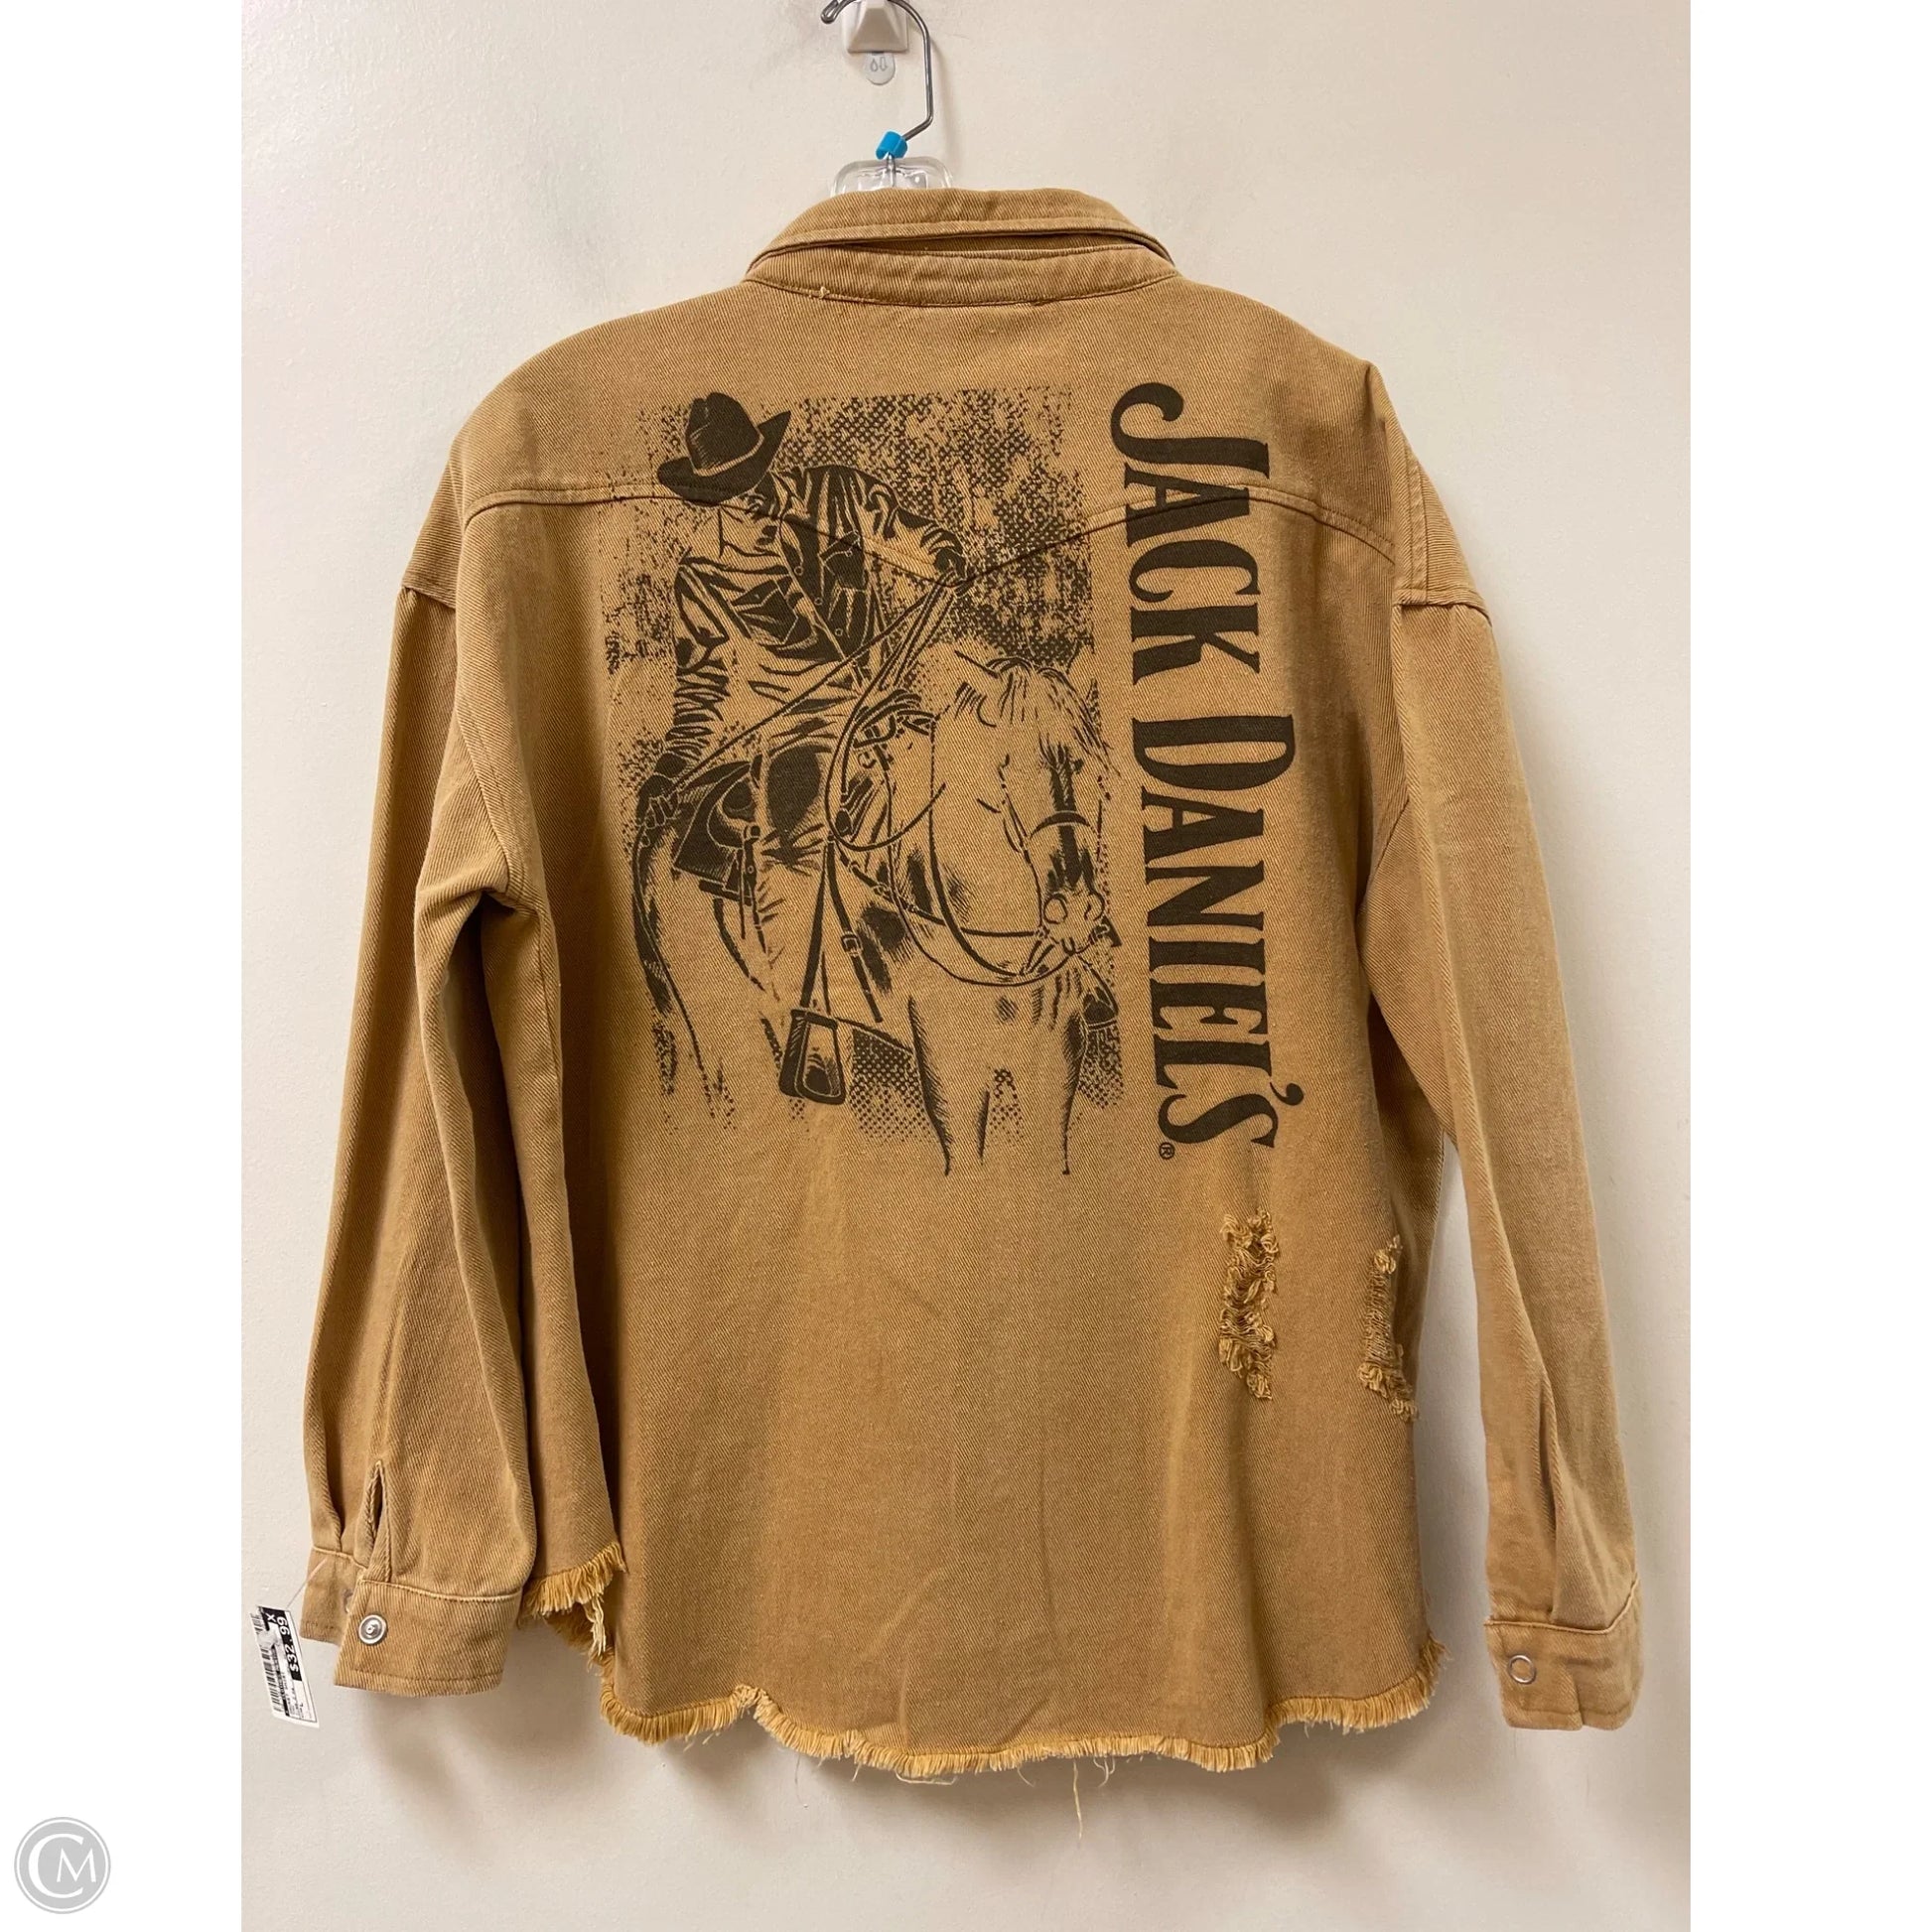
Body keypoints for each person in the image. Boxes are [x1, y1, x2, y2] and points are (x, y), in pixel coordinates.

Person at [633, 392, 965, 1043]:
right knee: (791, 852)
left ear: (766, 461)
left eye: (753, 477)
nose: (750, 498)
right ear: (708, 497)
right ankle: (808, 1027)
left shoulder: (837, 493)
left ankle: (1066, 955)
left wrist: (940, 551)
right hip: (804, 734)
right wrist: (669, 771)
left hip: (895, 697)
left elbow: (902, 531)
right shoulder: (702, 575)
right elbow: (701, 693)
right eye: (730, 491)